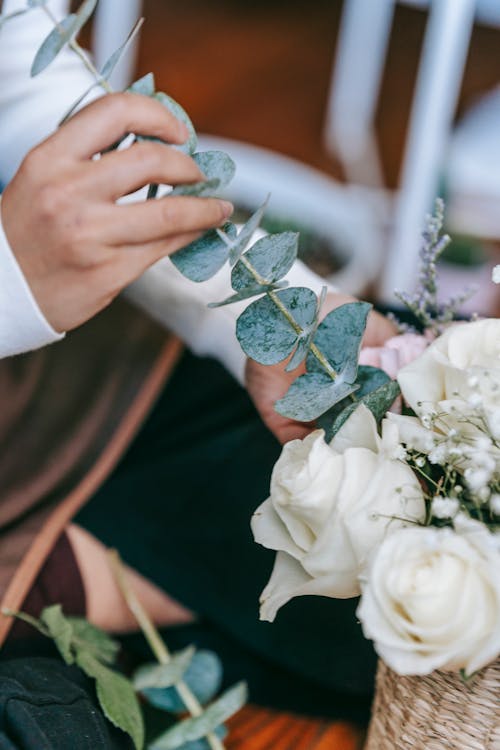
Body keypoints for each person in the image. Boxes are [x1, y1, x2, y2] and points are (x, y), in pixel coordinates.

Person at [0, 0, 395, 745]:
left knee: (402, 561)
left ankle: (75, 588)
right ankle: (77, 589)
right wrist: (9, 282)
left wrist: (276, 317)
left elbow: (10, 59)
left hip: (52, 388)